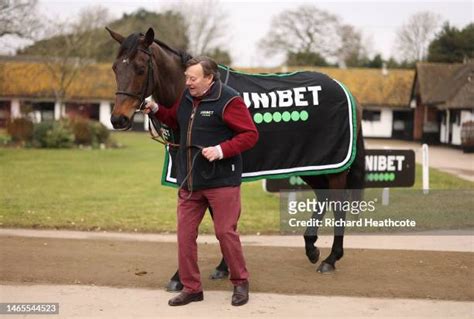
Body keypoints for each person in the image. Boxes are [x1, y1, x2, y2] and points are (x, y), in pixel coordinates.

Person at [144, 56, 258, 307]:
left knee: (224, 232)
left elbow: (250, 135)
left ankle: (240, 282)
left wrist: (221, 150)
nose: (187, 82)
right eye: (186, 77)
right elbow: (175, 120)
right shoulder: (185, 97)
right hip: (190, 181)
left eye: (192, 78)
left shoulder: (229, 99)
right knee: (185, 236)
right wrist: (155, 110)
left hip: (222, 181)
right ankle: (192, 288)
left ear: (209, 78)